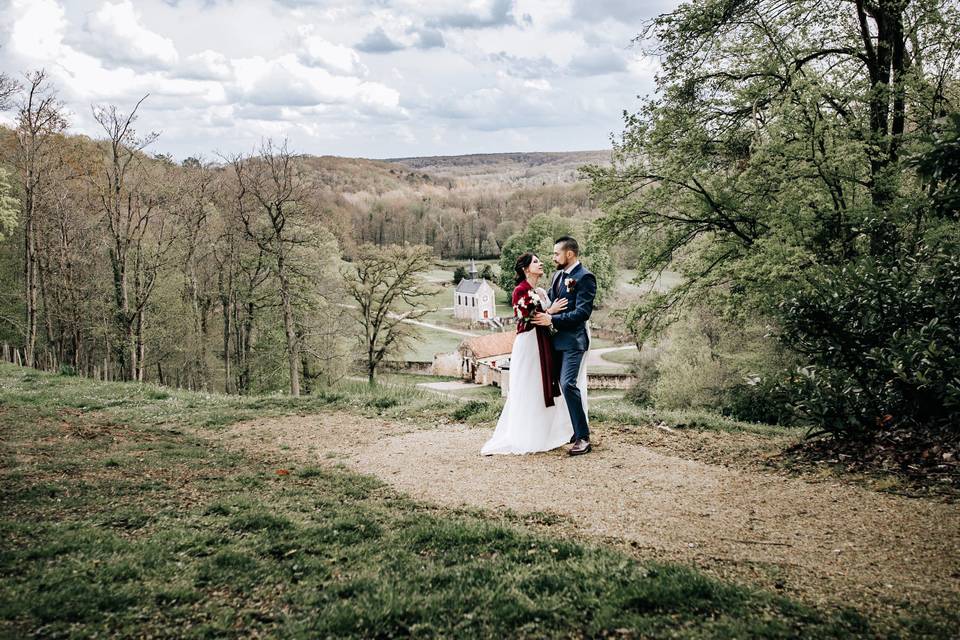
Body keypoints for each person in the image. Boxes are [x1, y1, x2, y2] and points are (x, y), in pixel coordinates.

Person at [480, 252, 584, 455]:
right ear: (525, 268)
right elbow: (527, 319)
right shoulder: (520, 291)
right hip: (528, 344)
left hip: (543, 343)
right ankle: (526, 434)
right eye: (536, 262)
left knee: (540, 385)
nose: (541, 263)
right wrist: (551, 312)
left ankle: (545, 431)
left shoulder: (541, 292)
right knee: (529, 384)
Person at [532, 236, 596, 455]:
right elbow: (552, 300)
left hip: (574, 341)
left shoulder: (585, 277)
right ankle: (569, 430)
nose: (553, 257)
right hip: (556, 340)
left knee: (568, 384)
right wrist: (540, 299)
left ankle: (583, 438)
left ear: (569, 254)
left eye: (556, 253)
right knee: (558, 386)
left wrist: (553, 320)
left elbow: (582, 313)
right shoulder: (559, 275)